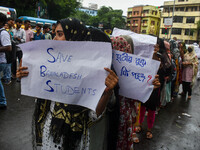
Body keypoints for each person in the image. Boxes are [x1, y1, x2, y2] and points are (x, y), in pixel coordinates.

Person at [17, 18, 118, 150]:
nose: (54, 39)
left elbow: (94, 115)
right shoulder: (49, 63)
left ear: (74, 37)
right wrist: (26, 76)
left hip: (74, 140)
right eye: (54, 34)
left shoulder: (92, 71)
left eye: (60, 34)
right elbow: (39, 100)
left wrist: (108, 91)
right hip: (49, 133)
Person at [136, 38, 172, 139]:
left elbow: (168, 70)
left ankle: (149, 129)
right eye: (153, 45)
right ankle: (139, 125)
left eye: (157, 45)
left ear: (159, 47)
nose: (155, 47)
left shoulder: (163, 58)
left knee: (152, 109)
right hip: (145, 87)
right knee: (142, 107)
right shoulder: (144, 56)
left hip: (155, 88)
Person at [0, 12, 12, 109]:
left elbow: (8, 47)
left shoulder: (3, 33)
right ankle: (2, 101)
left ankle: (2, 101)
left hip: (1, 61)